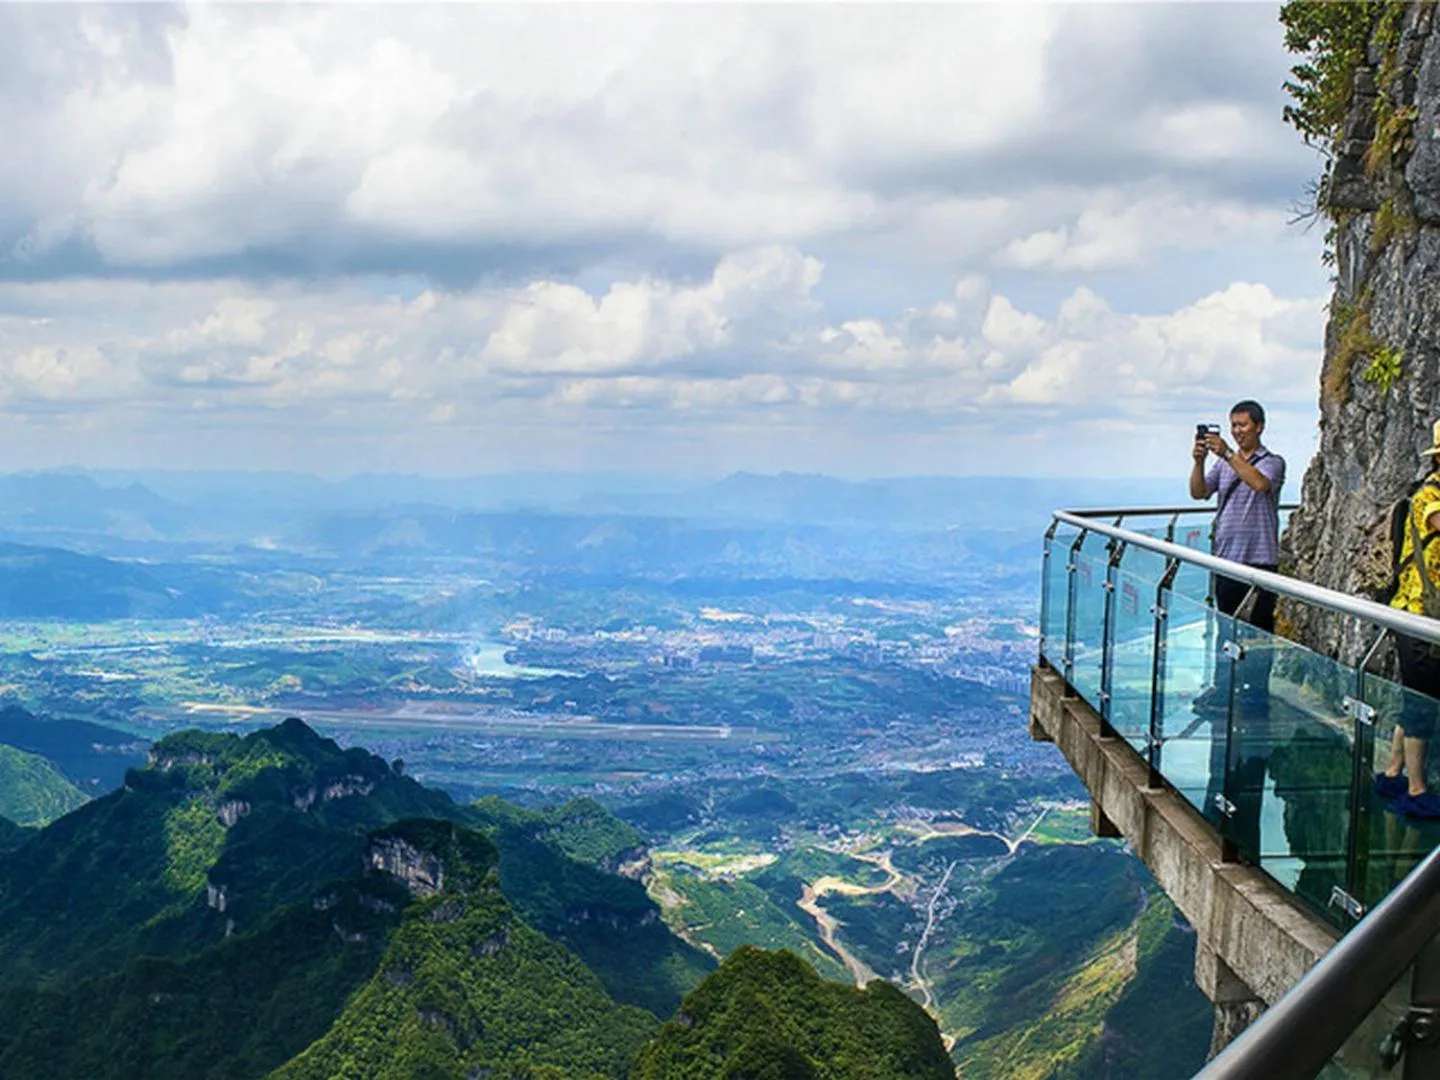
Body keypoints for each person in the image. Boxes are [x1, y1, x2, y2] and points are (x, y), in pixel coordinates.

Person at [1189, 400, 1286, 709]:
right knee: (1224, 630)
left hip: (1260, 558)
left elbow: (1259, 483)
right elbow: (1199, 492)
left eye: (1242, 425)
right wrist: (1199, 462)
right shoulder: (1223, 465)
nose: (1237, 431)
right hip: (1226, 558)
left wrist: (1227, 453)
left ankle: (1257, 693)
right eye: (1233, 426)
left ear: (1259, 426)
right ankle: (1224, 688)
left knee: (1259, 632)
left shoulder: (1272, 461)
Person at [1376, 420, 1440, 819]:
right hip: (1419, 616)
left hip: (1415, 613)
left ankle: (1393, 770)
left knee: (1413, 696)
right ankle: (1416, 791)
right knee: (1424, 702)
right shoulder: (1429, 498)